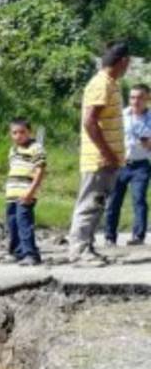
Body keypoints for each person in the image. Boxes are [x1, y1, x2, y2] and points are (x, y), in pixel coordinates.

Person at [68, 42, 130, 266]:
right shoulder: (101, 84)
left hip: (107, 160)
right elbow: (89, 121)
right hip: (99, 160)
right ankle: (79, 250)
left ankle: (88, 246)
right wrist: (107, 152)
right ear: (123, 61)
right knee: (89, 204)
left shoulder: (111, 83)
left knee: (97, 204)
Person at [103, 83, 151, 246]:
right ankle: (110, 236)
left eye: (140, 97)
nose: (135, 101)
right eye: (132, 97)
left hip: (141, 164)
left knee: (139, 199)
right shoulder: (122, 115)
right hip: (120, 163)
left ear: (147, 98)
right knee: (114, 200)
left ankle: (138, 236)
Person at [4, 118, 46, 266]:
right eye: (14, 133)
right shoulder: (13, 150)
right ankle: (18, 252)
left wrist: (30, 192)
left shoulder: (36, 148)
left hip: (26, 194)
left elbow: (40, 171)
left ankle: (31, 254)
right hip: (12, 195)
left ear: (30, 132)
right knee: (13, 223)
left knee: (24, 223)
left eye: (22, 132)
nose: (18, 135)